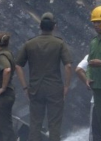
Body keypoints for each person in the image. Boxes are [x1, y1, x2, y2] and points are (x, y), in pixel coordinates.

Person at [15, 12, 72, 141]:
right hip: (55, 89)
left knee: (35, 124)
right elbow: (68, 66)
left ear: (40, 26)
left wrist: (25, 87)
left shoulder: (29, 44)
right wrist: (66, 86)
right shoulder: (59, 44)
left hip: (35, 89)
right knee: (54, 125)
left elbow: (18, 66)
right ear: (54, 27)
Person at [85, 5, 101, 141]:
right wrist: (88, 77)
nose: (96, 25)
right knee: (96, 130)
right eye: (94, 22)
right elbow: (89, 63)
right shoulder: (94, 42)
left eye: (99, 22)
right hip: (97, 93)